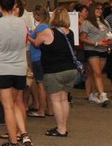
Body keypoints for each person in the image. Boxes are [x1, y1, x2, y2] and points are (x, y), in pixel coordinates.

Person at [0, 0, 32, 146]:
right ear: (14, 6)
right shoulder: (22, 23)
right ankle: (23, 133)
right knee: (18, 103)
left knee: (7, 107)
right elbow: (25, 42)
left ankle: (13, 143)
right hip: (19, 69)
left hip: (2, 69)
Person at [30, 8, 79, 138]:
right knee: (64, 99)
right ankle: (63, 126)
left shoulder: (48, 32)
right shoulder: (70, 33)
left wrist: (28, 37)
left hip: (54, 70)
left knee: (56, 100)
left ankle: (61, 129)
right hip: (70, 69)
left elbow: (36, 43)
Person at [81, 2, 112, 106]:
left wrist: (109, 41)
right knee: (97, 72)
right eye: (97, 9)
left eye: (101, 9)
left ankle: (93, 94)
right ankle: (102, 95)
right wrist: (96, 43)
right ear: (92, 10)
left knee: (96, 73)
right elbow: (83, 38)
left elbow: (109, 35)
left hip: (103, 50)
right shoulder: (87, 22)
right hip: (91, 49)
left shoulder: (105, 22)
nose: (100, 11)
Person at [27, 6, 52, 117]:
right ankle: (49, 109)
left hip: (38, 58)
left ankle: (41, 110)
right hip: (43, 58)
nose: (33, 17)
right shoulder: (47, 26)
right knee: (46, 85)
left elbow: (36, 42)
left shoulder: (41, 27)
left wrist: (28, 37)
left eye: (34, 15)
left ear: (38, 15)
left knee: (40, 85)